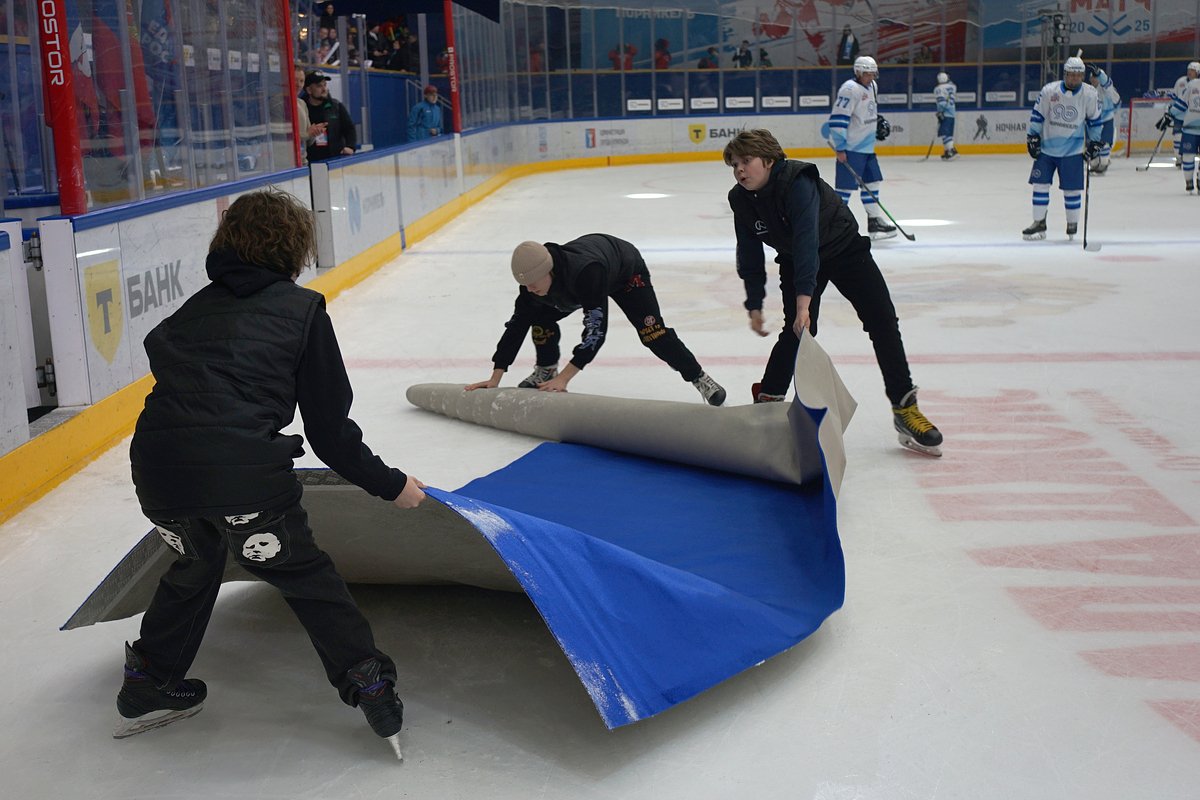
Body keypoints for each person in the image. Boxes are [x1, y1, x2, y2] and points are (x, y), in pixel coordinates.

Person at [118, 189, 427, 758]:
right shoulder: (302, 311)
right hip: (245, 482)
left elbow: (190, 402)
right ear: (296, 246)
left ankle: (150, 679)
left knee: (196, 561)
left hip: (158, 478)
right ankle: (369, 683)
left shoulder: (189, 312)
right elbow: (331, 433)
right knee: (305, 576)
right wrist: (390, 484)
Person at [723, 129, 942, 456]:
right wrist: (754, 303)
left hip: (843, 248)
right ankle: (767, 403)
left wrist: (804, 302)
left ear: (769, 160)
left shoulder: (798, 182)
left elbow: (807, 238)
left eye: (747, 161)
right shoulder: (740, 199)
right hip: (798, 257)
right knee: (797, 333)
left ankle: (905, 409)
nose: (740, 170)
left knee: (882, 321)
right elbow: (750, 251)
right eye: (735, 164)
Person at [465, 237, 726, 406]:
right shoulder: (532, 285)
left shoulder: (585, 272)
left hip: (625, 271)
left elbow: (595, 331)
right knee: (538, 316)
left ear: (549, 271)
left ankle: (699, 377)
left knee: (652, 333)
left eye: (533, 284)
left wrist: (566, 378)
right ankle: (546, 369)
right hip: (578, 281)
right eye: (525, 286)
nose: (530, 289)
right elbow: (516, 326)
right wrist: (496, 375)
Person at [1022, 56, 1101, 241]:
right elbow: (1038, 115)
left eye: (1078, 75)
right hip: (1046, 149)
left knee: (1072, 190)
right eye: (1071, 75)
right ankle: (1039, 222)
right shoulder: (1050, 90)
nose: (1075, 79)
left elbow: (1094, 121)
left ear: (1082, 76)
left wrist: (1095, 143)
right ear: (1065, 74)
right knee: (1040, 185)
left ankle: (1072, 224)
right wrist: (1032, 136)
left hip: (1072, 152)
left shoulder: (1089, 94)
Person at [826, 55, 897, 239]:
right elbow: (838, 119)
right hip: (851, 148)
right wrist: (840, 147)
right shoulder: (849, 89)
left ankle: (874, 223)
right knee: (844, 189)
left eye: (874, 74)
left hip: (867, 148)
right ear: (858, 72)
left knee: (873, 182)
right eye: (867, 74)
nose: (871, 77)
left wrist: (877, 123)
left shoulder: (873, 86)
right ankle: (831, 226)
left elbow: (868, 110)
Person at [302, 71, 356, 162]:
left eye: (325, 85)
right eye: (319, 86)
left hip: (334, 159)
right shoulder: (301, 108)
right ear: (309, 90)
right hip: (310, 161)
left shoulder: (336, 106)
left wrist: (350, 146)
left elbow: (349, 129)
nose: (324, 89)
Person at [1084, 63, 1120, 174]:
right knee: (1092, 149)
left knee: (1104, 148)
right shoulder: (1087, 89)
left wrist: (1100, 74)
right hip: (1092, 122)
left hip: (1106, 121)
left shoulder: (1106, 89)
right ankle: (1095, 162)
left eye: (1096, 77)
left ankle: (1104, 161)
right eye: (1093, 77)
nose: (1094, 79)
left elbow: (1108, 85)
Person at [1163, 62, 1199, 170]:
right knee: (1177, 137)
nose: (1189, 72)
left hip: (1192, 118)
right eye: (1189, 70)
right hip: (1180, 115)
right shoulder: (1180, 82)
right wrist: (1170, 110)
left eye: (1192, 71)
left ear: (1197, 73)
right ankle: (1178, 159)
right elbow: (1175, 97)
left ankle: (1186, 159)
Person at [1171, 61, 1200, 193]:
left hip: (1190, 127)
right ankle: (1189, 181)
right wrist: (1169, 114)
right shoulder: (1192, 85)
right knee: (1188, 155)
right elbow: (1182, 103)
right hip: (1189, 127)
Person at [933, 71, 958, 160]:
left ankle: (951, 151)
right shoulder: (953, 87)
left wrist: (940, 112)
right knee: (948, 133)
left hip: (945, 113)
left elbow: (942, 102)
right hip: (952, 113)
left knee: (944, 133)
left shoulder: (938, 89)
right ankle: (948, 151)